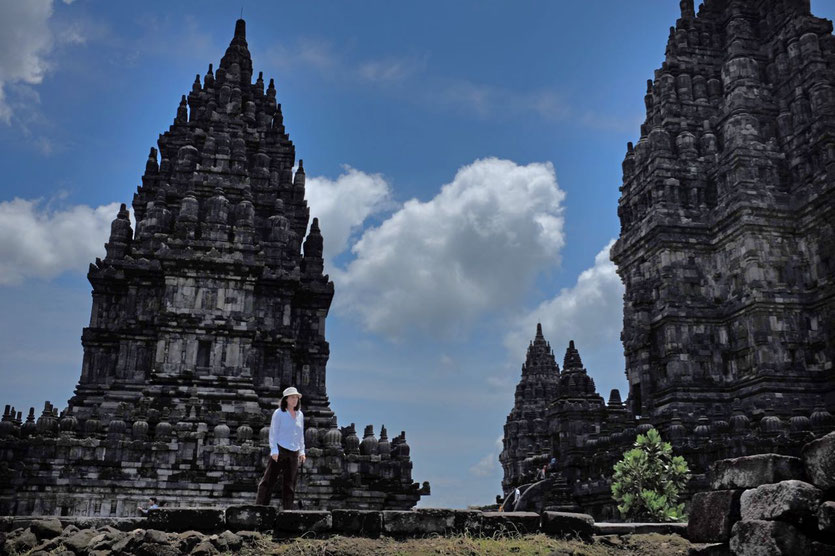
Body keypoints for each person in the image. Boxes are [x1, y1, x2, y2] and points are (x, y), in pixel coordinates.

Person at [255, 386, 306, 509]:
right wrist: (274, 450)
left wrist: (302, 451)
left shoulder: (300, 415)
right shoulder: (279, 413)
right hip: (280, 449)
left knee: (290, 483)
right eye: (292, 397)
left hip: (294, 451)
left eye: (296, 398)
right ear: (286, 399)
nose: (295, 400)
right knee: (268, 480)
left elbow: (300, 435)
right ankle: (260, 507)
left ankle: (287, 510)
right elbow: (273, 432)